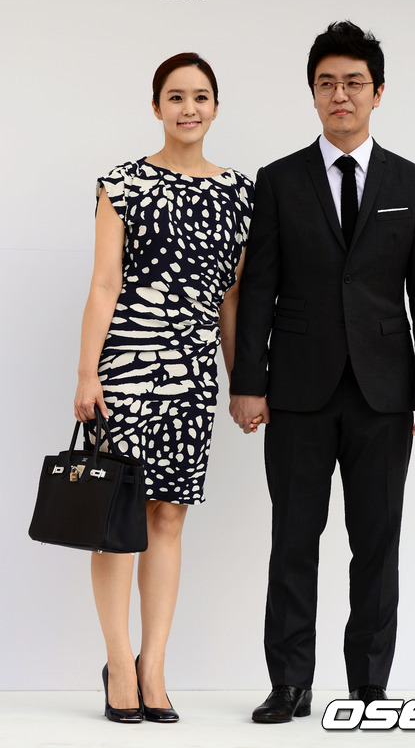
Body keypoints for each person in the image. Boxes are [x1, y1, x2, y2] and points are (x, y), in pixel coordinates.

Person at [230, 21, 415, 722]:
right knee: (293, 541)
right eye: (327, 83)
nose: (340, 95)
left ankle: (369, 686)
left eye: (354, 82)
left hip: (386, 393)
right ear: (313, 94)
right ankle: (291, 683)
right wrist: (247, 383)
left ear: (378, 92)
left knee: (377, 545)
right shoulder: (278, 180)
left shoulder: (411, 182)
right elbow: (258, 290)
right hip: (297, 391)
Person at [74, 53, 254, 723]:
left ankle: (154, 665)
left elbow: (231, 300)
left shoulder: (241, 194)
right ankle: (119, 663)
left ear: (215, 107)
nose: (188, 107)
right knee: (115, 518)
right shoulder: (122, 184)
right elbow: (104, 283)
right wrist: (87, 373)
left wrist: (241, 383)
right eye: (175, 96)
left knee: (168, 516)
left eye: (200, 96)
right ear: (156, 107)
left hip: (192, 378)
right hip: (123, 372)